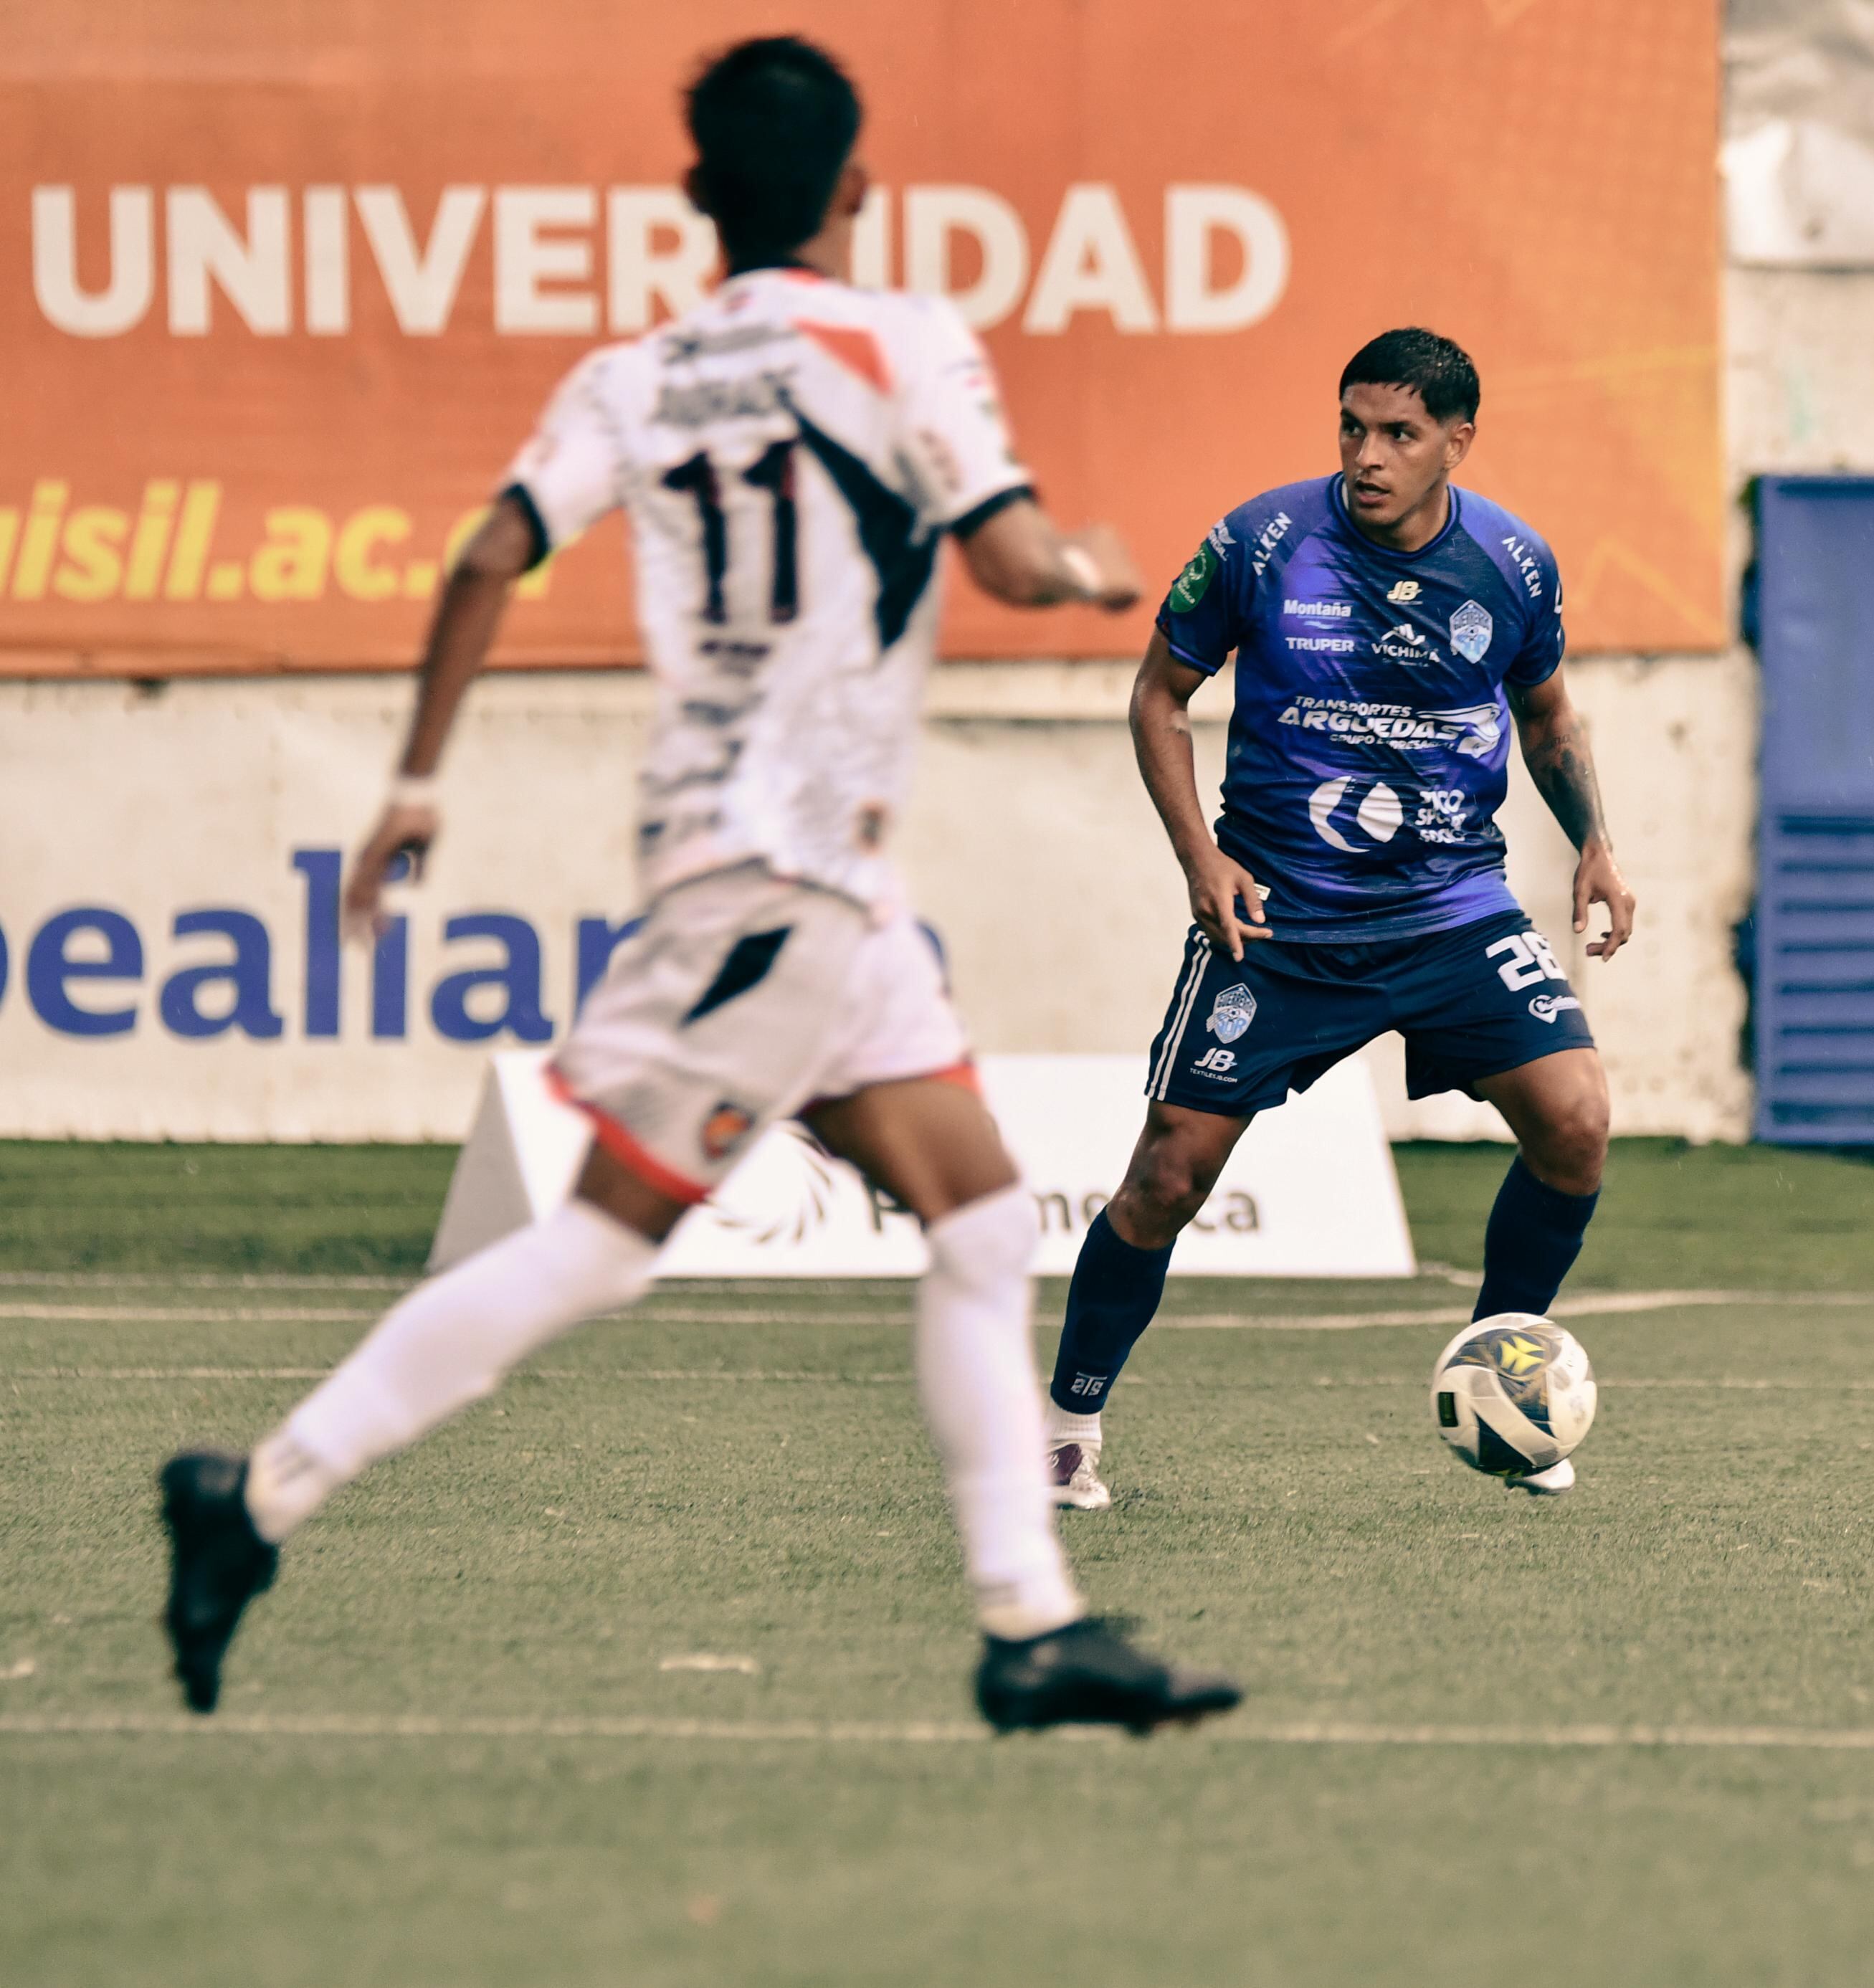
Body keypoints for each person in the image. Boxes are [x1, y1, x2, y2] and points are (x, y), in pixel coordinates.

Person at [156, 36, 1240, 1736]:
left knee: (971, 1209)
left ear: (694, 199)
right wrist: (1097, 570)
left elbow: (490, 551)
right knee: (599, 1243)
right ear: (857, 186)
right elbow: (1022, 561)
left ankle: (1031, 1621)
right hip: (778, 878)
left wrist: (418, 779)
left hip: (793, 877)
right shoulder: (899, 342)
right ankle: (268, 1491)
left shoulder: (634, 377)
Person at [1041, 327, 1635, 1508]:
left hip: (1452, 908)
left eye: (1400, 435)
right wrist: (1201, 860)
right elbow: (1158, 698)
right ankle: (1064, 1427)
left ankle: (1500, 1378)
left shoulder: (1514, 566)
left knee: (1576, 1121)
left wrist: (1597, 845)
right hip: (1283, 916)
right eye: (1353, 428)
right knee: (1166, 1175)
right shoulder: (1261, 543)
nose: (1368, 456)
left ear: (1457, 443)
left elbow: (1551, 720)